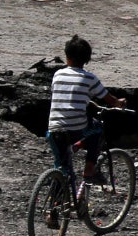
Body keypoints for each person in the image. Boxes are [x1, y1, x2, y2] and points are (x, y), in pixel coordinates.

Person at [46, 35, 127, 184]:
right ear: (87, 59)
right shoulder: (89, 78)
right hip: (74, 129)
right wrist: (118, 103)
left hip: (53, 129)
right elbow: (108, 99)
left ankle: (56, 201)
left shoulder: (57, 75)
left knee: (62, 167)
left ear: (67, 56)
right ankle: (90, 169)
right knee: (97, 128)